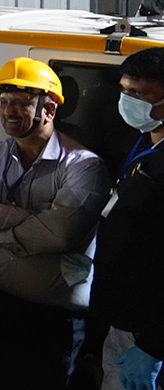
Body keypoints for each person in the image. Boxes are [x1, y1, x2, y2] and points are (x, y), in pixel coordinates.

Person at [0, 57, 110, 390]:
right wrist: (24, 217)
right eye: (4, 102)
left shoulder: (84, 166)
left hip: (51, 319)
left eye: (21, 103)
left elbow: (60, 233)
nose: (9, 111)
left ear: (50, 109)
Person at [89, 47, 164, 390]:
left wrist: (153, 344)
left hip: (148, 335)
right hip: (122, 323)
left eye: (139, 93)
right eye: (124, 90)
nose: (127, 100)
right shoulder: (142, 144)